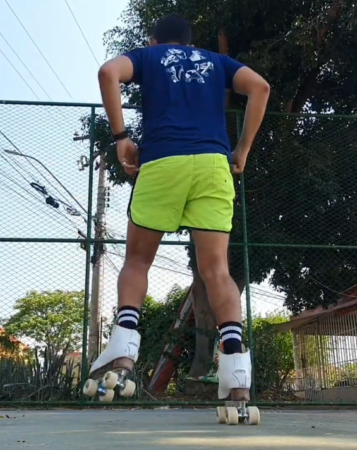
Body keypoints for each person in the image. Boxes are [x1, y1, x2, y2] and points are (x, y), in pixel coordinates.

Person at [90, 14, 270, 402]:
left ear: (155, 41)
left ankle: (123, 346)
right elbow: (260, 87)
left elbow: (108, 72)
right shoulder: (216, 62)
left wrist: (121, 138)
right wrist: (242, 149)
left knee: (138, 261)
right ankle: (236, 368)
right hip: (212, 166)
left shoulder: (148, 57)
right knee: (216, 270)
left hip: (162, 162)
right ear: (190, 42)